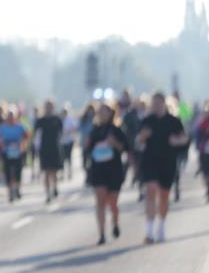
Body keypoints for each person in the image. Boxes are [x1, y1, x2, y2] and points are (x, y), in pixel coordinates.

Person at [136, 92, 188, 244]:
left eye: (159, 103)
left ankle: (161, 226)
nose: (157, 106)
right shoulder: (146, 121)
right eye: (154, 103)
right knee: (150, 191)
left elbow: (185, 138)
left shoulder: (174, 121)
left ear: (164, 104)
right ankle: (149, 231)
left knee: (164, 196)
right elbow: (137, 142)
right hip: (150, 161)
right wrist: (142, 137)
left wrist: (177, 141)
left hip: (168, 161)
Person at [84, 103, 129, 245]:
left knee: (113, 203)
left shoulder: (117, 130)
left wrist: (114, 143)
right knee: (100, 201)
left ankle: (115, 223)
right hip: (98, 170)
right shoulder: (94, 130)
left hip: (113, 170)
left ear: (111, 113)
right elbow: (87, 150)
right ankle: (102, 234)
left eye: (105, 111)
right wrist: (87, 144)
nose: (102, 114)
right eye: (100, 112)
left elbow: (125, 148)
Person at [0, 110, 29, 203]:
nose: (10, 118)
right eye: (9, 116)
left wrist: (22, 143)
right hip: (6, 152)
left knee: (18, 171)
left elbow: (26, 136)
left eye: (12, 116)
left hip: (18, 152)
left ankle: (17, 189)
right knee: (7, 172)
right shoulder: (2, 127)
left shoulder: (20, 127)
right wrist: (1, 143)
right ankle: (10, 191)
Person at [34, 100, 63, 202]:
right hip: (44, 149)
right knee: (45, 172)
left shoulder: (57, 119)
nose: (48, 109)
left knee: (53, 171)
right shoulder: (40, 120)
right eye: (47, 106)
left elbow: (61, 133)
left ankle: (54, 186)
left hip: (54, 148)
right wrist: (36, 149)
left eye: (50, 106)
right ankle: (47, 193)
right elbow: (36, 134)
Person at [60, 105, 78, 180]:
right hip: (62, 142)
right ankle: (62, 173)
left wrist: (67, 131)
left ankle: (70, 172)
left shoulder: (70, 120)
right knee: (62, 158)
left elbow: (74, 128)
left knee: (69, 158)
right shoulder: (59, 120)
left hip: (69, 141)